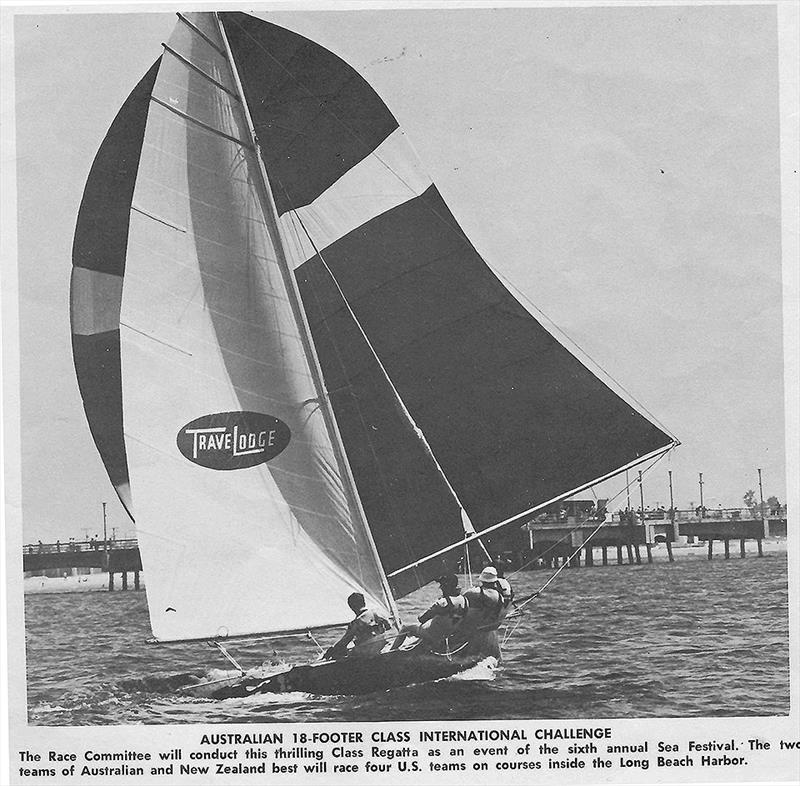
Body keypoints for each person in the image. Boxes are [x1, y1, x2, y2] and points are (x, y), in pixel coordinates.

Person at [390, 573, 467, 651]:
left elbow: (422, 619)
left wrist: (433, 607)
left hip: (433, 634)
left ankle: (391, 652)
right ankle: (418, 647)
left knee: (405, 628)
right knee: (428, 625)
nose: (441, 588)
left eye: (442, 585)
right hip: (447, 634)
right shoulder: (464, 600)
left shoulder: (443, 603)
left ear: (447, 586)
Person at [324, 592, 392, 660]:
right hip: (381, 647)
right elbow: (389, 627)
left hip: (367, 654)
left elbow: (344, 642)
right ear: (364, 602)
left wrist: (331, 650)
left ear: (352, 607)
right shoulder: (378, 613)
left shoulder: (355, 623)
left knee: (340, 653)